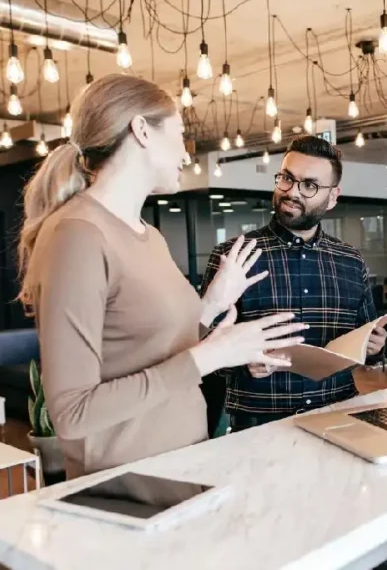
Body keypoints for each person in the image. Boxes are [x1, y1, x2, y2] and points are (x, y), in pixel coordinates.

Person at [17, 74, 305, 478]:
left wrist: (214, 305)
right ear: (141, 130)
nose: (187, 155)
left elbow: (153, 348)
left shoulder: (147, 234)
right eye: (180, 134)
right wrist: (212, 356)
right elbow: (73, 413)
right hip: (128, 483)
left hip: (182, 463)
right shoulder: (77, 235)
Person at [199, 136, 386, 432]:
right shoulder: (233, 256)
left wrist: (374, 346)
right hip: (259, 425)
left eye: (309, 185)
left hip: (337, 415)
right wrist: (243, 361)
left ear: (333, 196)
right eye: (286, 178)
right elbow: (203, 348)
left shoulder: (351, 260)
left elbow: (364, 339)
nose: (292, 192)